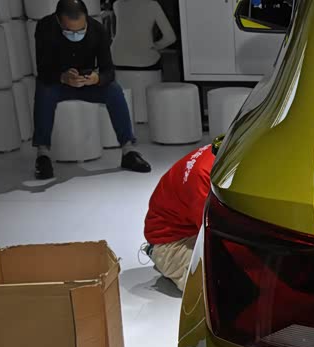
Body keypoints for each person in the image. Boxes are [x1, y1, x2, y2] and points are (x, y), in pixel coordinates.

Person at [33, 0, 151, 180]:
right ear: (58, 21)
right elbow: (43, 70)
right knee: (44, 90)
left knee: (114, 90)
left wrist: (97, 78)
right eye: (69, 31)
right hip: (57, 82)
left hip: (87, 82)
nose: (75, 35)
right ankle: (43, 154)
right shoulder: (45, 28)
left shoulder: (97, 29)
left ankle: (128, 150)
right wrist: (62, 77)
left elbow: (109, 70)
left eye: (81, 30)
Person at [143, 138, 221, 291]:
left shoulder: (221, 149)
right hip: (171, 242)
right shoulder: (204, 178)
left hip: (189, 227)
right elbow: (215, 235)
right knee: (217, 287)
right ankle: (162, 257)